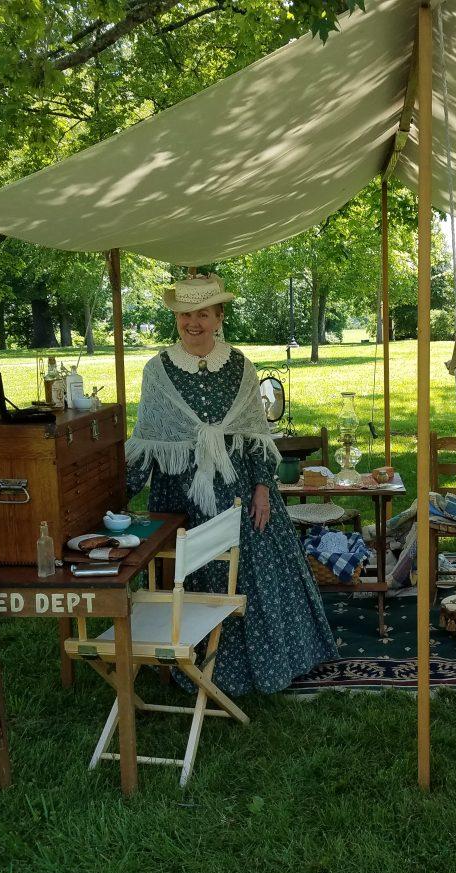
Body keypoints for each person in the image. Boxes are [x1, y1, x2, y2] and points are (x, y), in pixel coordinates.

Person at [125, 274, 337, 695]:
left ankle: (269, 661)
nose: (193, 322)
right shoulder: (158, 371)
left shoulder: (240, 365)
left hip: (240, 488)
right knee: (194, 571)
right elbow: (148, 441)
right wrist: (117, 500)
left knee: (253, 567)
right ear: (177, 317)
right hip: (181, 494)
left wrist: (262, 487)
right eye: (186, 314)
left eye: (203, 313)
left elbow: (256, 434)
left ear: (219, 316)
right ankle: (191, 662)